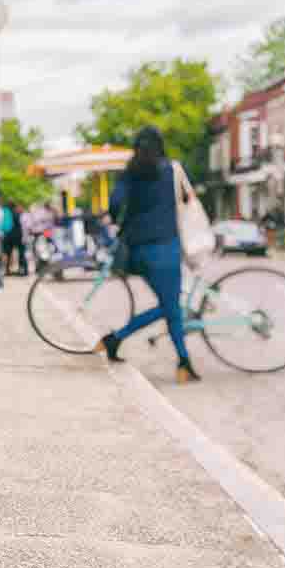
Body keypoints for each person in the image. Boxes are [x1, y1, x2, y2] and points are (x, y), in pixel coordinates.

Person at [94, 125, 200, 383]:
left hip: (137, 250)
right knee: (171, 306)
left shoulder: (129, 174)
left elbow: (115, 205)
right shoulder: (172, 169)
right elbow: (188, 199)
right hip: (166, 247)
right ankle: (117, 339)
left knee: (170, 306)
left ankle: (182, 362)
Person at [4, 201, 27, 275]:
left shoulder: (6, 213)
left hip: (8, 236)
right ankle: (22, 270)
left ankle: (7, 270)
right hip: (18, 236)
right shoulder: (18, 214)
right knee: (21, 253)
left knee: (8, 253)